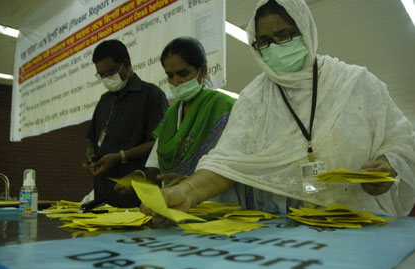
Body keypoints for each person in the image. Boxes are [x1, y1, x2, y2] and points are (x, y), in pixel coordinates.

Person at [143, 0, 415, 225]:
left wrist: (386, 166)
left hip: (358, 223)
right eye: (263, 41)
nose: (273, 46)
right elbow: (226, 161)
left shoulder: (356, 83)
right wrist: (186, 191)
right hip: (287, 230)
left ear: (305, 31)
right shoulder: (255, 96)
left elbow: (401, 141)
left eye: (284, 35)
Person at [116, 36, 236, 191]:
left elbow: (235, 162)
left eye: (183, 73)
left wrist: (191, 181)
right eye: (170, 75)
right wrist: (140, 177)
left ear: (203, 70)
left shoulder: (224, 107)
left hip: (217, 202)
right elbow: (155, 167)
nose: (176, 81)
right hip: (177, 203)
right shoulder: (170, 117)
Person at [83, 39, 168, 208]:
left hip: (136, 195)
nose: (107, 78)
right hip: (103, 193)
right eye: (102, 75)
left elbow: (159, 143)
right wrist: (90, 155)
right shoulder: (105, 100)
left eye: (111, 72)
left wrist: (118, 157)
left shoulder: (151, 95)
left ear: (126, 65)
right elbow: (91, 140)